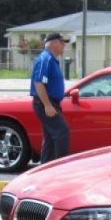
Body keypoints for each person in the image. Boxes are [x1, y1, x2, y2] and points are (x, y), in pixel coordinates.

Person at [30, 32, 70, 164]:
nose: (64, 45)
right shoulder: (45, 59)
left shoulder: (52, 60)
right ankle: (60, 167)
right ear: (54, 43)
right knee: (61, 131)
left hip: (51, 103)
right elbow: (39, 83)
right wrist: (47, 105)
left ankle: (46, 167)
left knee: (49, 138)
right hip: (45, 103)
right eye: (62, 42)